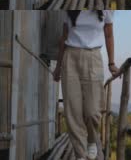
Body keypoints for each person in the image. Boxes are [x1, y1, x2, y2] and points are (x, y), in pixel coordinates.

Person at [52, 10, 118, 160]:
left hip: (93, 56)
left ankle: (91, 140)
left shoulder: (105, 9)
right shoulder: (70, 9)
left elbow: (109, 34)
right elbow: (64, 37)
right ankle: (81, 155)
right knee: (73, 111)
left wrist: (111, 63)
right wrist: (57, 68)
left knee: (93, 112)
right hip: (70, 57)